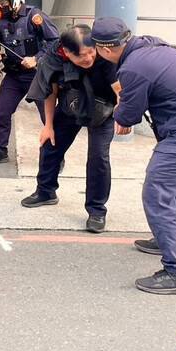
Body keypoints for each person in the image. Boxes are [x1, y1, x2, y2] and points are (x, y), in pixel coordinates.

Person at [92, 17, 176, 295]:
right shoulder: (152, 46)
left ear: (104, 49)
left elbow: (127, 117)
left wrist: (119, 107)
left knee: (157, 192)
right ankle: (171, 239)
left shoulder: (133, 69)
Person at [22, 25, 120, 233]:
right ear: (66, 52)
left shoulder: (103, 53)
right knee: (50, 144)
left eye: (91, 52)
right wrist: (48, 125)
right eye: (82, 56)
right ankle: (46, 191)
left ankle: (96, 211)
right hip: (72, 104)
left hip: (103, 109)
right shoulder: (53, 59)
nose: (88, 58)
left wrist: (124, 117)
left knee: (98, 157)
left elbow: (120, 90)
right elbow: (50, 91)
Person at [0, 0, 59, 166]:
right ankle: (0, 151)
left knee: (47, 117)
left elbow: (55, 42)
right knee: (3, 113)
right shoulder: (1, 22)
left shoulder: (34, 16)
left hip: (37, 76)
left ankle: (56, 154)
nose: (1, 7)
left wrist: (37, 58)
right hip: (14, 75)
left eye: (3, 3)